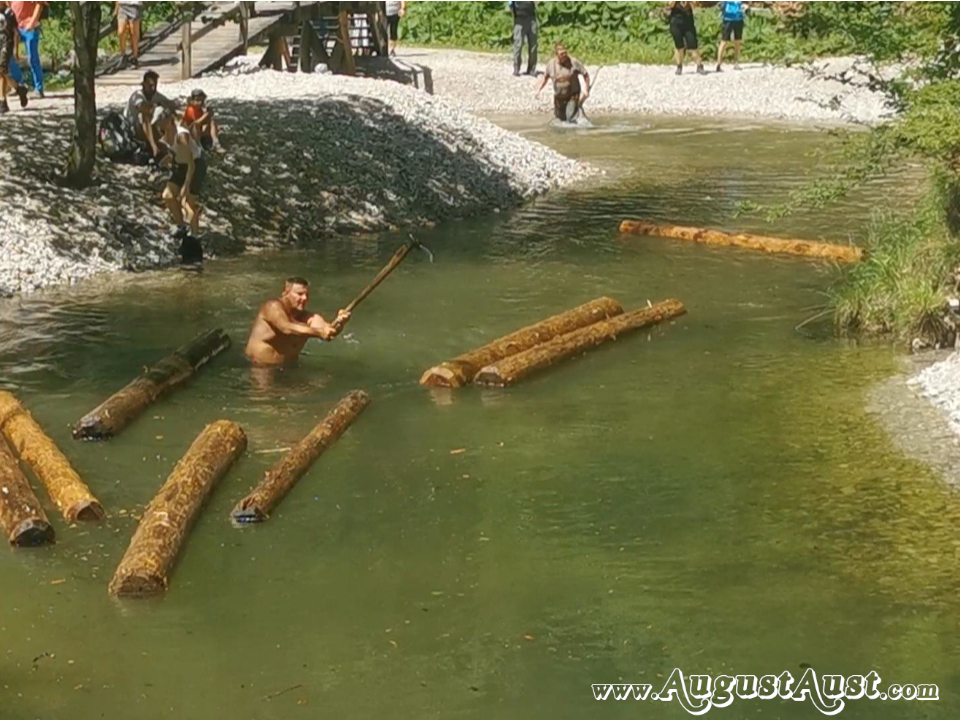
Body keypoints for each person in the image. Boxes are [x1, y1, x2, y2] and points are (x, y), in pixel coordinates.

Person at [245, 278, 351, 366]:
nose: (304, 298)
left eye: (306, 295)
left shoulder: (308, 318)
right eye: (299, 294)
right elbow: (286, 328)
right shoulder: (272, 307)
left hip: (289, 368)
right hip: (259, 367)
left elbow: (329, 332)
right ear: (285, 294)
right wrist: (319, 332)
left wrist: (340, 322)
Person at [160, 111, 206, 261]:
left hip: (195, 166)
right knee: (167, 196)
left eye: (161, 121)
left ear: (170, 121)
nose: (159, 125)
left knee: (187, 202)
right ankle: (181, 227)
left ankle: (194, 239)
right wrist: (168, 158)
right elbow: (174, 152)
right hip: (180, 166)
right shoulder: (165, 135)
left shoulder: (182, 136)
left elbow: (191, 164)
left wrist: (185, 186)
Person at [125, 70, 177, 160]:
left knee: (169, 116)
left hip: (148, 128)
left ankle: (172, 145)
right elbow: (143, 108)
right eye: (150, 86)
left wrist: (165, 106)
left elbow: (172, 104)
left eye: (155, 85)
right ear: (144, 84)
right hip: (133, 130)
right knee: (145, 116)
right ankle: (154, 147)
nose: (153, 88)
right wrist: (157, 106)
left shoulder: (155, 95)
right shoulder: (137, 96)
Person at [536, 43, 590, 123]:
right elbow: (545, 78)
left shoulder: (573, 62)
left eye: (565, 53)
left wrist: (586, 89)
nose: (564, 55)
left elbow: (586, 75)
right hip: (559, 96)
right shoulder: (551, 65)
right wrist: (538, 90)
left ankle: (573, 131)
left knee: (570, 116)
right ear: (556, 55)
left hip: (572, 94)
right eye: (562, 54)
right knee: (560, 119)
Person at [9, 1, 45, 97]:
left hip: (30, 26)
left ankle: (38, 88)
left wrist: (32, 22)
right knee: (9, 56)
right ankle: (19, 85)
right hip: (16, 27)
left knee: (32, 57)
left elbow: (39, 4)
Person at [0, 1, 28, 114]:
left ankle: (2, 102)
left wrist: (16, 51)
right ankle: (19, 89)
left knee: (1, 71)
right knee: (3, 73)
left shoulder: (9, 13)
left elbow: (16, 33)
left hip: (6, 44)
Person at [667, 1, 704, 76]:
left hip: (688, 23)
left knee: (693, 45)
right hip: (676, 22)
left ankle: (699, 65)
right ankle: (679, 66)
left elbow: (695, 5)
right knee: (679, 46)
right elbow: (670, 5)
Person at [182, 88, 224, 153]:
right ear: (192, 101)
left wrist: (210, 116)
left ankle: (216, 143)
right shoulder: (190, 109)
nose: (200, 103)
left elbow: (204, 122)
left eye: (202, 100)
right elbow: (196, 123)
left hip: (199, 132)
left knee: (212, 121)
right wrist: (206, 115)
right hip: (189, 135)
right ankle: (198, 147)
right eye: (197, 100)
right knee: (195, 125)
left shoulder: (200, 110)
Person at [509, 1, 537, 77]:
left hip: (531, 19)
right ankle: (516, 68)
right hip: (519, 20)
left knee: (533, 45)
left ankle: (531, 69)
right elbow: (510, 6)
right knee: (518, 45)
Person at [716, 1, 746, 72]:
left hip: (739, 19)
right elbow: (719, 4)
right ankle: (718, 64)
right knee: (724, 42)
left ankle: (736, 62)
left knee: (738, 42)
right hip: (728, 19)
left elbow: (744, 4)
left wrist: (745, 6)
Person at [116, 2, 143, 68]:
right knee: (121, 31)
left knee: (133, 32)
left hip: (134, 5)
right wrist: (116, 7)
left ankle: (134, 57)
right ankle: (123, 56)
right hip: (122, 5)